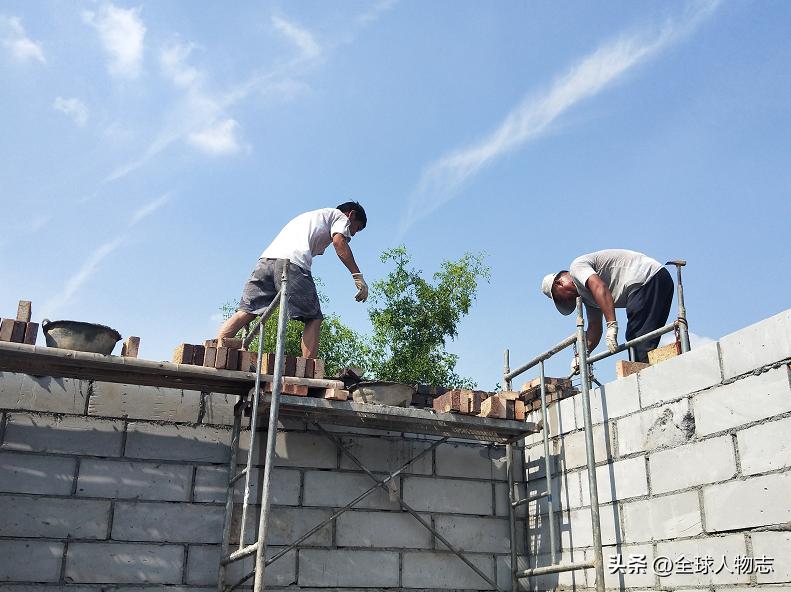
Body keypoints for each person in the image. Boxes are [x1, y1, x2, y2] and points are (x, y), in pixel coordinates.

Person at [217, 202, 368, 358]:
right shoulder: (339, 216)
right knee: (313, 318)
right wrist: (357, 276)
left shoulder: (312, 217)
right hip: (291, 263)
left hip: (265, 261)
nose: (354, 233)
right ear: (351, 215)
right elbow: (339, 242)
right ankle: (308, 369)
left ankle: (216, 353)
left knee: (246, 312)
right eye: (357, 227)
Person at [541, 249, 674, 364]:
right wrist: (582, 354)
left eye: (560, 298)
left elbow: (599, 286)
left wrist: (611, 326)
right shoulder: (588, 298)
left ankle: (643, 380)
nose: (567, 301)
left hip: (646, 277)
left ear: (559, 283)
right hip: (657, 280)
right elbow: (595, 328)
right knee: (645, 339)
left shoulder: (577, 268)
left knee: (637, 340)